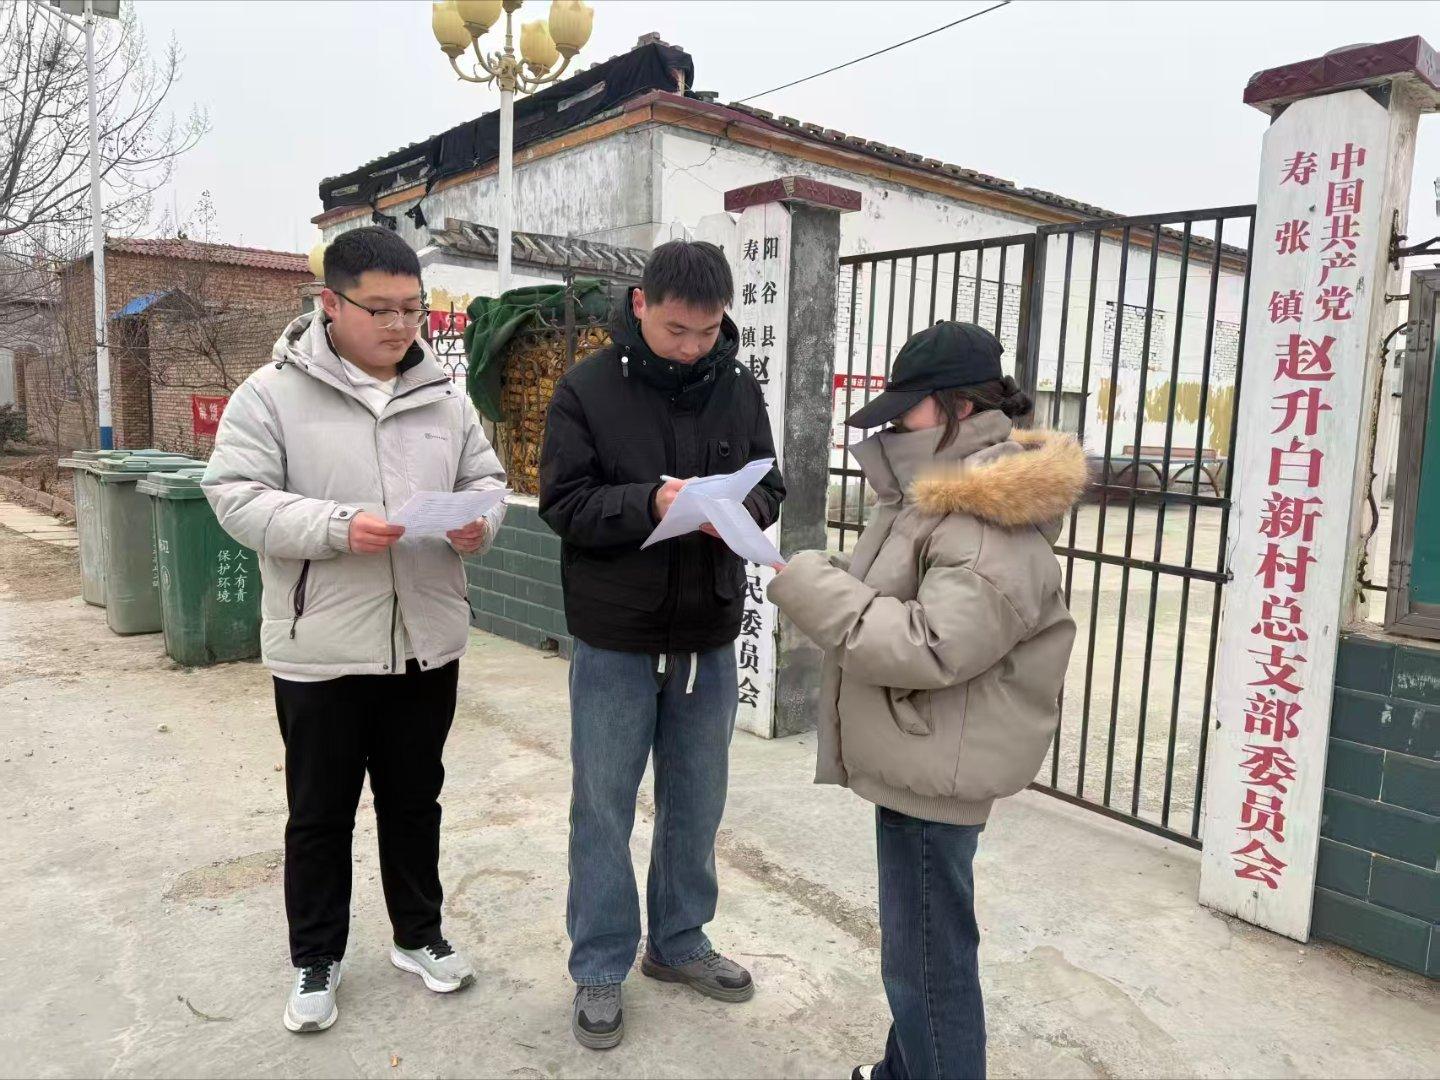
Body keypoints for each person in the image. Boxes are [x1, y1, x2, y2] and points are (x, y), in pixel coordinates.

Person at [202, 226, 507, 1034]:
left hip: (425, 639)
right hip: (322, 646)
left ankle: (420, 935)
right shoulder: (271, 394)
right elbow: (234, 494)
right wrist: (338, 526)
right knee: (320, 810)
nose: (402, 325)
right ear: (329, 303)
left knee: (416, 800)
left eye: (414, 308)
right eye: (382, 309)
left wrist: (481, 521)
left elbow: (487, 478)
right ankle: (316, 957)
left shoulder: (445, 395)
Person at [767, 322, 1083, 1080]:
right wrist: (832, 576)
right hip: (923, 751)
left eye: (907, 408)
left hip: (938, 763)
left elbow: (932, 643)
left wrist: (812, 587)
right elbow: (898, 596)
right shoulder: (941, 494)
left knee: (929, 968)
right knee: (919, 949)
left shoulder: (981, 516)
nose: (891, 422)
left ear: (956, 407)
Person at [538, 240, 785, 1050]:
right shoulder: (586, 390)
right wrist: (650, 501)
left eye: (707, 331)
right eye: (677, 329)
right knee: (604, 807)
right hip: (616, 638)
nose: (691, 346)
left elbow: (770, 482)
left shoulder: (738, 387)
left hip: (707, 634)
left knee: (697, 803)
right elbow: (565, 504)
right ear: (640, 304)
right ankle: (600, 966)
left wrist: (735, 509)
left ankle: (678, 943)